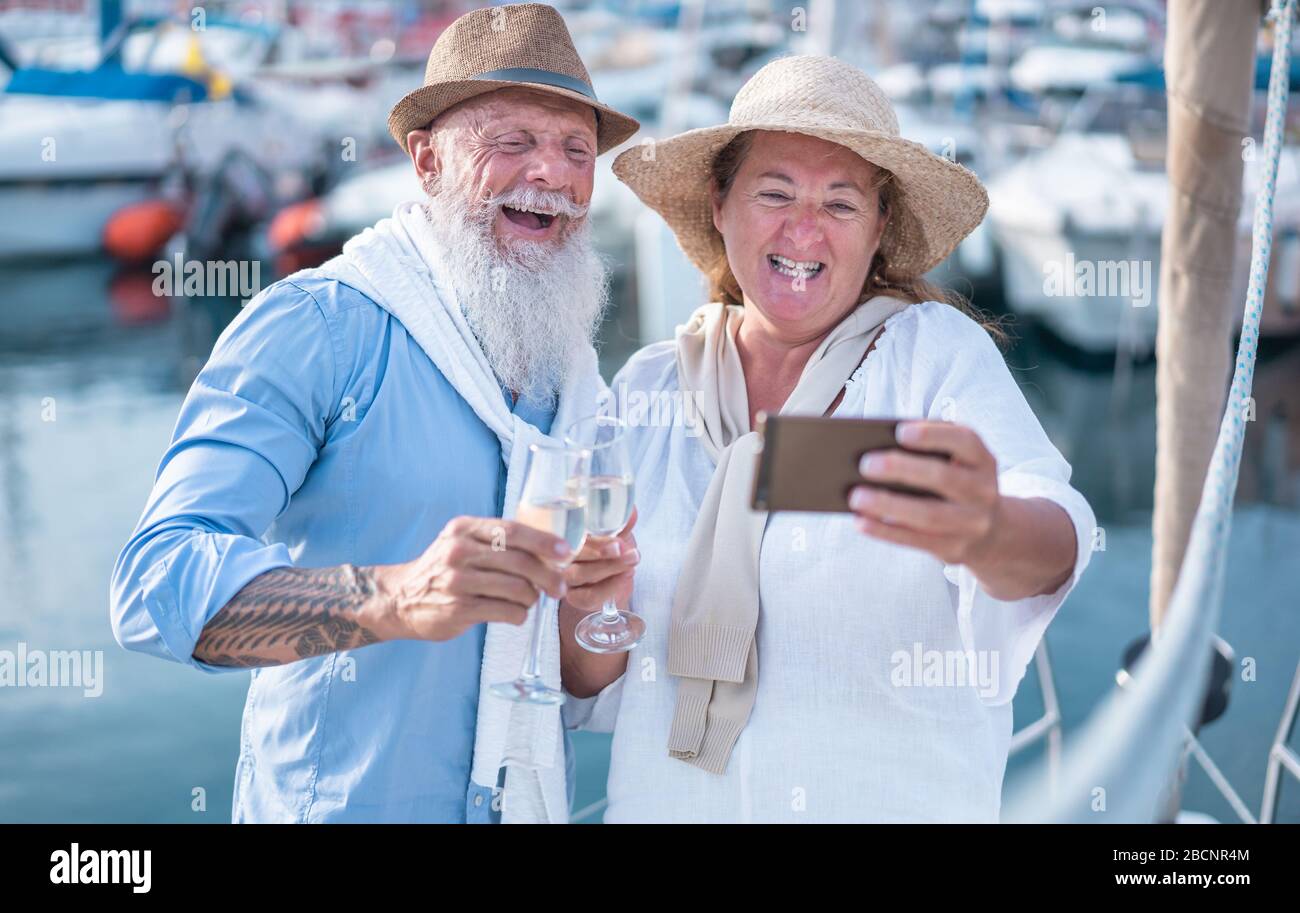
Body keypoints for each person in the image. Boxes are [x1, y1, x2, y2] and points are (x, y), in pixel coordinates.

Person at [109, 3, 639, 824]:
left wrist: (595, 604)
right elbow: (154, 584)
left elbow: (576, 678)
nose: (553, 173)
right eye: (513, 140)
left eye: (577, 149)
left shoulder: (573, 377)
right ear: (426, 161)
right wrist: (392, 597)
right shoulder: (317, 326)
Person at [562, 55, 1098, 823]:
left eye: (840, 204)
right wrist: (589, 606)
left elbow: (1054, 542)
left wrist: (986, 528)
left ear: (879, 228)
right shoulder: (650, 385)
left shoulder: (931, 356)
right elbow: (590, 679)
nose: (803, 229)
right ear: (720, 205)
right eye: (775, 193)